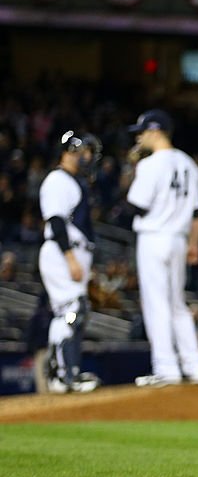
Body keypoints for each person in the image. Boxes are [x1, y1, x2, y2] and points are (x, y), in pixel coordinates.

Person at [126, 109, 198, 387]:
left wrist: (132, 171)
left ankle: (166, 368)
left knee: (156, 305)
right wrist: (194, 244)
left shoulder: (150, 164)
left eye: (141, 132)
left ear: (155, 131)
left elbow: (136, 205)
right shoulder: (188, 163)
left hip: (154, 236)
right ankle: (195, 367)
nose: (138, 137)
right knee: (177, 305)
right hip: (179, 239)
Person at [37, 131, 102, 393]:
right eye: (84, 151)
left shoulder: (72, 182)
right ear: (71, 150)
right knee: (71, 310)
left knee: (73, 311)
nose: (88, 157)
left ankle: (66, 373)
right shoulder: (57, 179)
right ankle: (62, 375)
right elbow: (55, 221)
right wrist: (70, 258)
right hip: (62, 252)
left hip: (74, 253)